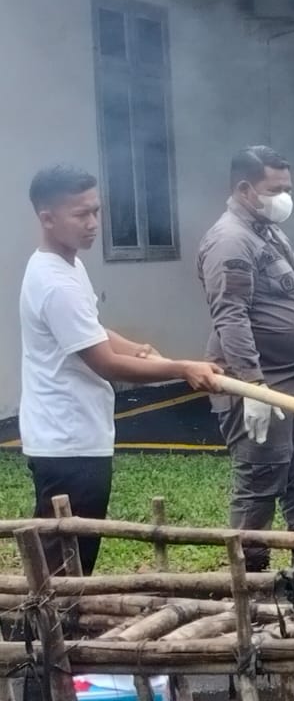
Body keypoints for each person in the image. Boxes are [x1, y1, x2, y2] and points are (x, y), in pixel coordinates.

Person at [21, 167, 219, 575]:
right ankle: (44, 635)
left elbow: (90, 327)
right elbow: (104, 363)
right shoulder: (55, 282)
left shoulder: (67, 266)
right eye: (81, 215)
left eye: (96, 211)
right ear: (47, 217)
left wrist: (138, 348)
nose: (93, 224)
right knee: (65, 563)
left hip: (76, 435)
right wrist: (181, 368)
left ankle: (56, 629)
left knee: (76, 554)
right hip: (67, 442)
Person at [197, 146, 294, 573]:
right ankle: (250, 585)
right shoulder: (231, 238)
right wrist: (252, 386)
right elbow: (230, 315)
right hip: (263, 386)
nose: (285, 198)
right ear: (245, 188)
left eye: (288, 189)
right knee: (260, 483)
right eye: (276, 189)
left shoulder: (267, 230)